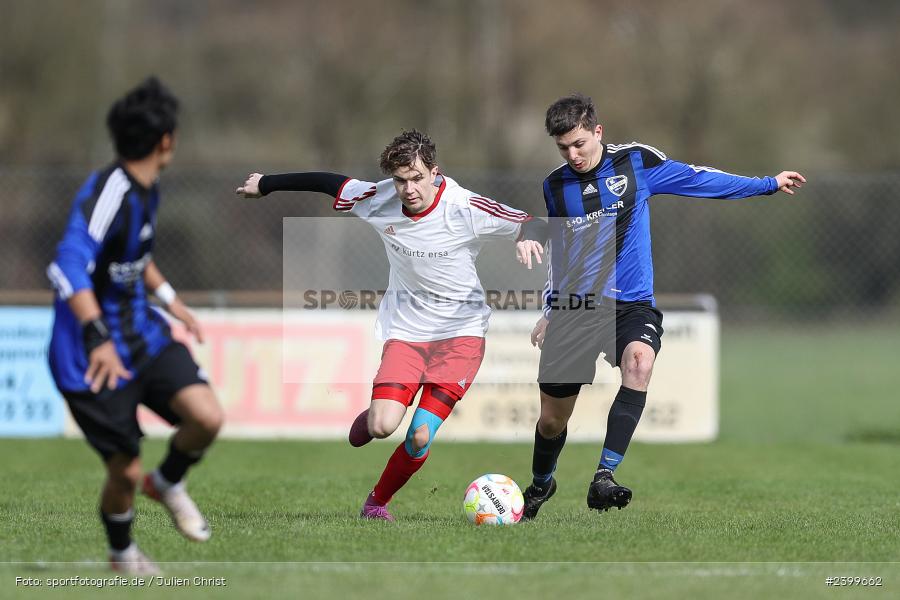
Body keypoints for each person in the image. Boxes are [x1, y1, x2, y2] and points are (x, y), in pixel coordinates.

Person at [521, 93, 805, 520]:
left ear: (598, 131)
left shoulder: (635, 162)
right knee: (551, 421)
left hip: (632, 303)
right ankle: (542, 482)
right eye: (563, 148)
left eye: (579, 143)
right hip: (577, 307)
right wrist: (550, 309)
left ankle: (604, 476)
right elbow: (562, 254)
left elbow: (700, 179)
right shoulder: (555, 186)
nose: (573, 155)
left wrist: (766, 183)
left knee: (640, 362)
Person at [236, 130, 544, 521]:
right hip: (407, 334)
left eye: (417, 178)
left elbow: (530, 221)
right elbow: (328, 182)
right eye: (400, 180)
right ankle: (374, 417)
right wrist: (266, 184)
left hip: (461, 336)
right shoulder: (379, 197)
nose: (409, 189)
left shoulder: (464, 206)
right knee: (383, 426)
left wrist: (526, 237)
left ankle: (376, 503)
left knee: (419, 434)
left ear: (434, 172)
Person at [47, 77, 224, 573]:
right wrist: (96, 335)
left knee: (206, 417)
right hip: (88, 356)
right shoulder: (110, 193)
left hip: (142, 334)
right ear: (165, 140)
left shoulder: (148, 189)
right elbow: (67, 264)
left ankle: (166, 482)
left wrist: (172, 300)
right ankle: (122, 554)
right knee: (124, 471)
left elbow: (134, 257)